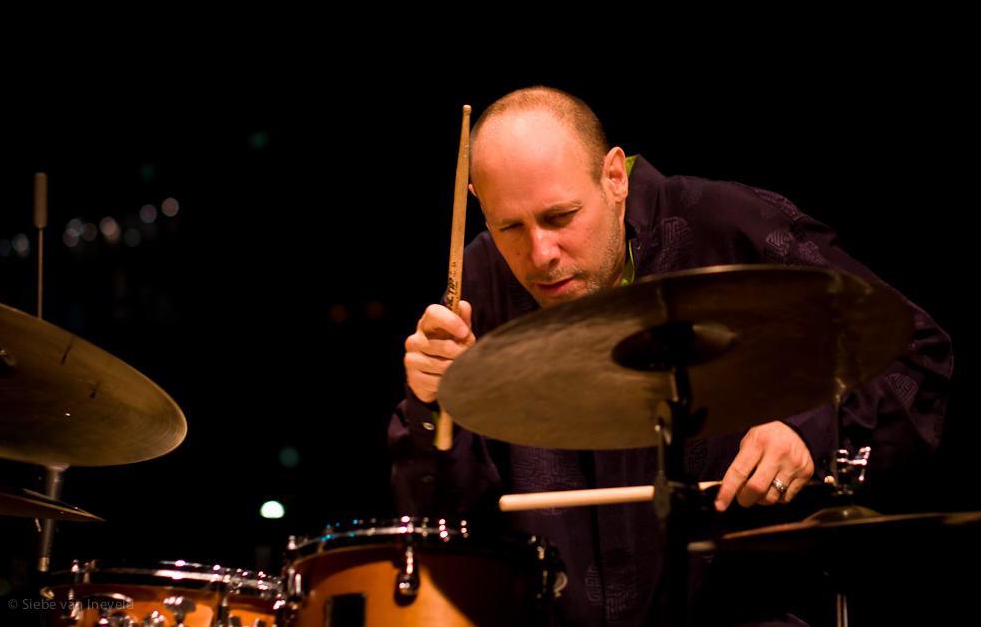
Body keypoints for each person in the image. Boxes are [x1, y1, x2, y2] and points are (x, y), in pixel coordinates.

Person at [389, 87, 952, 626]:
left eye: (561, 217)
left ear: (613, 176)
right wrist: (433, 406)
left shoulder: (725, 224)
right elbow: (444, 520)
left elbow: (915, 356)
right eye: (509, 225)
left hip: (753, 612)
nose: (540, 254)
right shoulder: (478, 283)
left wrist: (811, 429)